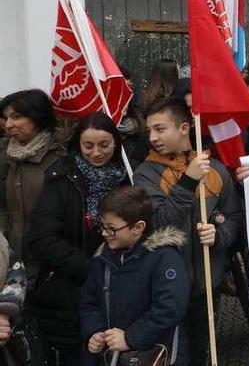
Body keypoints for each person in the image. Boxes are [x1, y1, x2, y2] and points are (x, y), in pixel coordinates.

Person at [134, 96, 243, 366]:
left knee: (202, 350)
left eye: (160, 128)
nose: (153, 137)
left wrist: (219, 236)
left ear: (184, 128)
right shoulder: (145, 174)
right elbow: (160, 223)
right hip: (166, 285)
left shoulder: (215, 169)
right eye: (150, 130)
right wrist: (188, 181)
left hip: (209, 283)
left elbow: (234, 218)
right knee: (172, 353)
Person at [29, 112, 130, 364]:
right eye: (89, 145)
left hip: (123, 283)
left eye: (104, 145)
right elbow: (42, 238)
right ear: (78, 145)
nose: (96, 152)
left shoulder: (129, 176)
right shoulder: (61, 179)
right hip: (72, 287)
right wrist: (89, 267)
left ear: (116, 144)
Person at [79, 186, 190, 366]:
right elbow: (89, 301)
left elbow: (169, 308)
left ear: (138, 227)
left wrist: (130, 338)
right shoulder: (102, 259)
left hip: (157, 355)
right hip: (114, 356)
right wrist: (95, 332)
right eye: (103, 227)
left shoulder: (165, 258)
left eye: (112, 229)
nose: (105, 234)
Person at [1, 90, 66, 270]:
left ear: (37, 117)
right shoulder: (5, 156)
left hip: (50, 261)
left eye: (16, 117)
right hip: (12, 259)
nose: (9, 124)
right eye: (6, 118)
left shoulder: (61, 157)